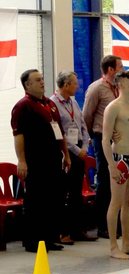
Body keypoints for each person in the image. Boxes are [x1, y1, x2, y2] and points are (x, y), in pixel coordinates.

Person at [11, 69, 71, 252]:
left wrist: (66, 155)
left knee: (52, 200)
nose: (42, 82)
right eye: (37, 80)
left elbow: (59, 132)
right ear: (27, 85)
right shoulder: (23, 106)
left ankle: (49, 238)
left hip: (53, 160)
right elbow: (18, 135)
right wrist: (21, 161)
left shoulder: (49, 104)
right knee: (35, 201)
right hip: (35, 161)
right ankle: (32, 241)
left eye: (42, 79)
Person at [50, 71, 96, 244]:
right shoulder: (53, 103)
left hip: (79, 150)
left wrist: (84, 146)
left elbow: (82, 125)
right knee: (63, 194)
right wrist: (76, 151)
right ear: (66, 85)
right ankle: (63, 232)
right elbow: (59, 134)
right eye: (75, 83)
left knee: (76, 193)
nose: (77, 86)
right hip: (66, 152)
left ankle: (78, 229)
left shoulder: (74, 102)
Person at [101, 70, 129, 260]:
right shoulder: (113, 107)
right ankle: (112, 246)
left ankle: (127, 242)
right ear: (121, 84)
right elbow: (104, 139)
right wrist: (111, 165)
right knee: (116, 202)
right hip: (120, 160)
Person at [82, 55, 123, 238]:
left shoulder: (119, 88)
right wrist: (95, 136)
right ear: (111, 69)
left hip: (120, 140)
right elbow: (87, 116)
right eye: (120, 67)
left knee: (120, 180)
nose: (123, 70)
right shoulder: (96, 88)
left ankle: (117, 222)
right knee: (105, 180)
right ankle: (102, 225)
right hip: (102, 138)